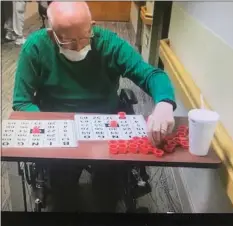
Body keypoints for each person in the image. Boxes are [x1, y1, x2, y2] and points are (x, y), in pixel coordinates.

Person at [12, 2, 176, 212]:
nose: (79, 46)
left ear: (92, 26)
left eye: (84, 37)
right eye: (69, 41)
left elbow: (151, 74)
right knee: (63, 193)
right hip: (59, 128)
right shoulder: (35, 47)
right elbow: (22, 102)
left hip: (105, 123)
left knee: (108, 190)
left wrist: (164, 104)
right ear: (52, 35)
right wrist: (51, 127)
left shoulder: (109, 44)